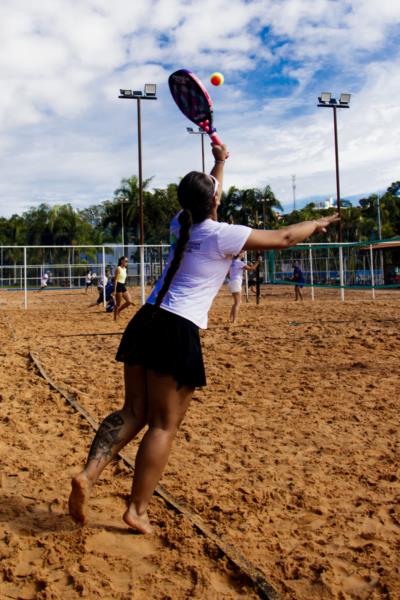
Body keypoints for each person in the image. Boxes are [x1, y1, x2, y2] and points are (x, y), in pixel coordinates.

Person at [68, 143, 339, 534]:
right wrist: (315, 223)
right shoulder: (222, 235)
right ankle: (136, 510)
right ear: (213, 200)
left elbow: (210, 194)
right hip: (177, 327)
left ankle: (88, 475)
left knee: (133, 412)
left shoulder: (181, 223)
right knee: (164, 425)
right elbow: (283, 237)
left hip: (146, 319)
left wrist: (219, 163)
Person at [228, 252, 260, 323]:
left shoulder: (232, 262)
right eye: (242, 253)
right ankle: (234, 320)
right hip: (236, 282)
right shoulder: (239, 262)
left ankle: (230, 318)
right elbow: (251, 269)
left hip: (231, 282)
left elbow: (228, 274)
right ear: (239, 254)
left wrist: (237, 276)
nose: (243, 254)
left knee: (236, 302)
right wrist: (258, 262)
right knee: (238, 302)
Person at [113, 256, 134, 321]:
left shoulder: (125, 269)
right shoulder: (118, 268)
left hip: (123, 285)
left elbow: (123, 279)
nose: (127, 262)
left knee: (129, 301)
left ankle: (119, 311)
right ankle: (115, 318)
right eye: (126, 261)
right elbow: (115, 280)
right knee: (118, 303)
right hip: (118, 286)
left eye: (127, 261)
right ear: (122, 261)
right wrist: (114, 290)